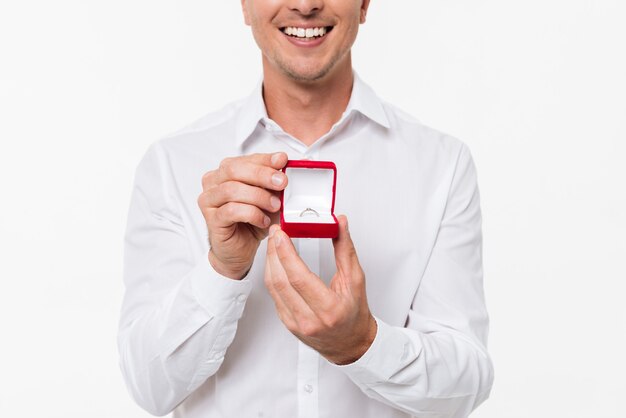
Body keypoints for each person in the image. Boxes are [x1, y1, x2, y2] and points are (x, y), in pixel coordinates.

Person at [118, 1, 494, 417]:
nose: (305, 4)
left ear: (365, 4)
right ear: (245, 5)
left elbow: (466, 386)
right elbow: (149, 387)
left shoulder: (441, 165)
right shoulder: (173, 164)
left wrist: (363, 345)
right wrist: (221, 269)